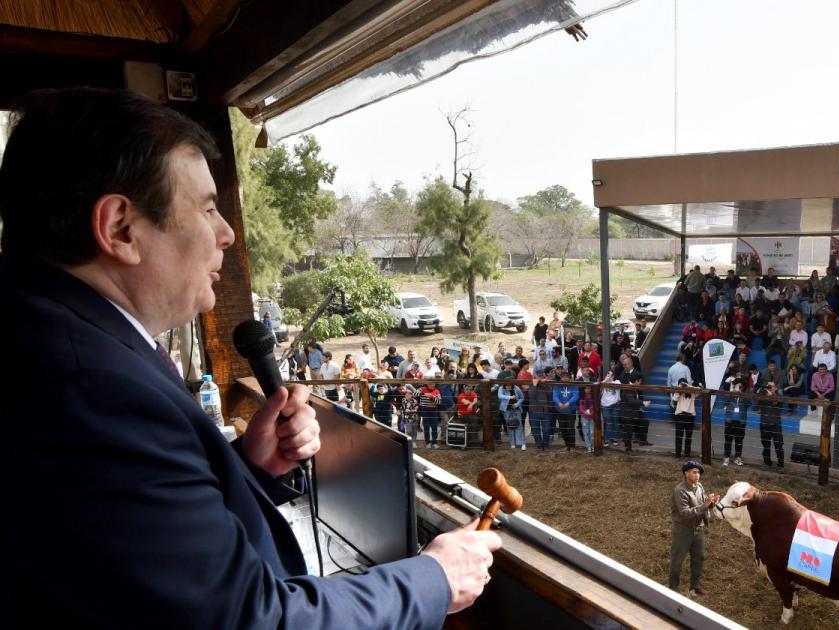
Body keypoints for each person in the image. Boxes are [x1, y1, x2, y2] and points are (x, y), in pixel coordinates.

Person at [0, 88, 498, 627]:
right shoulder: (90, 389)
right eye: (209, 208)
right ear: (121, 227)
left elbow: (132, 537)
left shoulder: (49, 334)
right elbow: (251, 620)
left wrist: (248, 469)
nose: (228, 233)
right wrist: (433, 579)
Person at [669, 461, 720, 598]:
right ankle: (672, 590)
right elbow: (685, 513)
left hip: (698, 529)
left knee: (699, 558)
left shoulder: (699, 487)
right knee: (677, 560)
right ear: (686, 474)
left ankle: (695, 587)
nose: (697, 475)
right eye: (694, 472)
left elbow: (702, 504)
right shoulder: (680, 490)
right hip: (683, 530)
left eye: (698, 473)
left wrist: (710, 503)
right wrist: (705, 505)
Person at [759, 382, 785, 468]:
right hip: (765, 424)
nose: (770, 388)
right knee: (766, 445)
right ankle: (767, 463)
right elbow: (757, 398)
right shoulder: (762, 394)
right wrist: (765, 391)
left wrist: (772, 394)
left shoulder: (779, 395)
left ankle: (781, 465)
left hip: (776, 425)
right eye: (768, 386)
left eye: (772, 386)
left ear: (776, 387)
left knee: (779, 446)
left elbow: (776, 402)